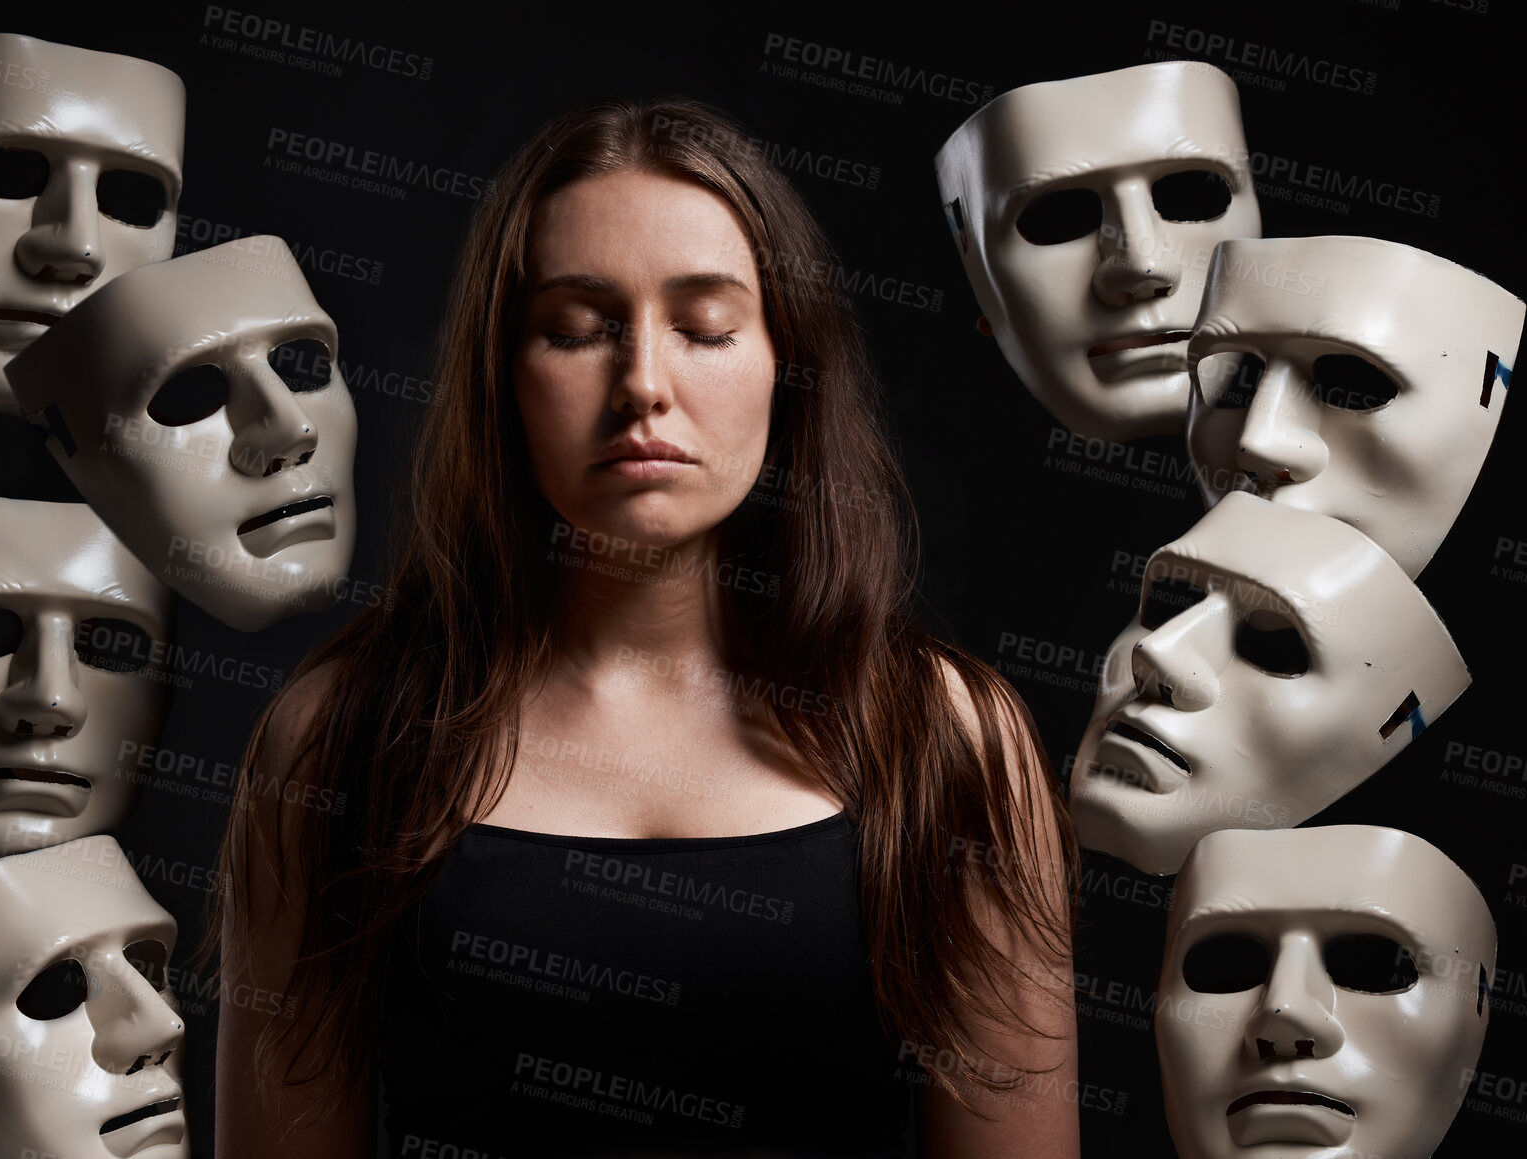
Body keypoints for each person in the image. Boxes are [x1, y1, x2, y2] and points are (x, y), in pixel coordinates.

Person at [213, 97, 1079, 1158]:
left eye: (707, 327)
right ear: (503, 375)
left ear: (785, 361)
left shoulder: (948, 740)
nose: (643, 386)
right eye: (576, 330)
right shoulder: (342, 736)